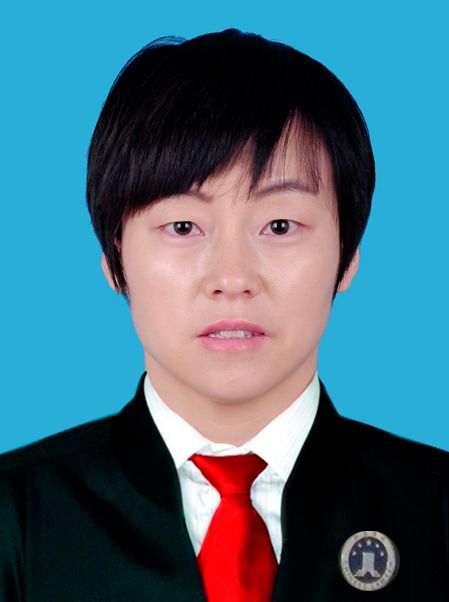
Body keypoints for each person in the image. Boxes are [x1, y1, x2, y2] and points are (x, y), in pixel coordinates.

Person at [0, 28, 447, 601]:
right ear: (115, 260)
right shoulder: (16, 518)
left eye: (279, 226)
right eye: (183, 226)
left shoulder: (436, 510)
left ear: (348, 255)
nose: (233, 279)